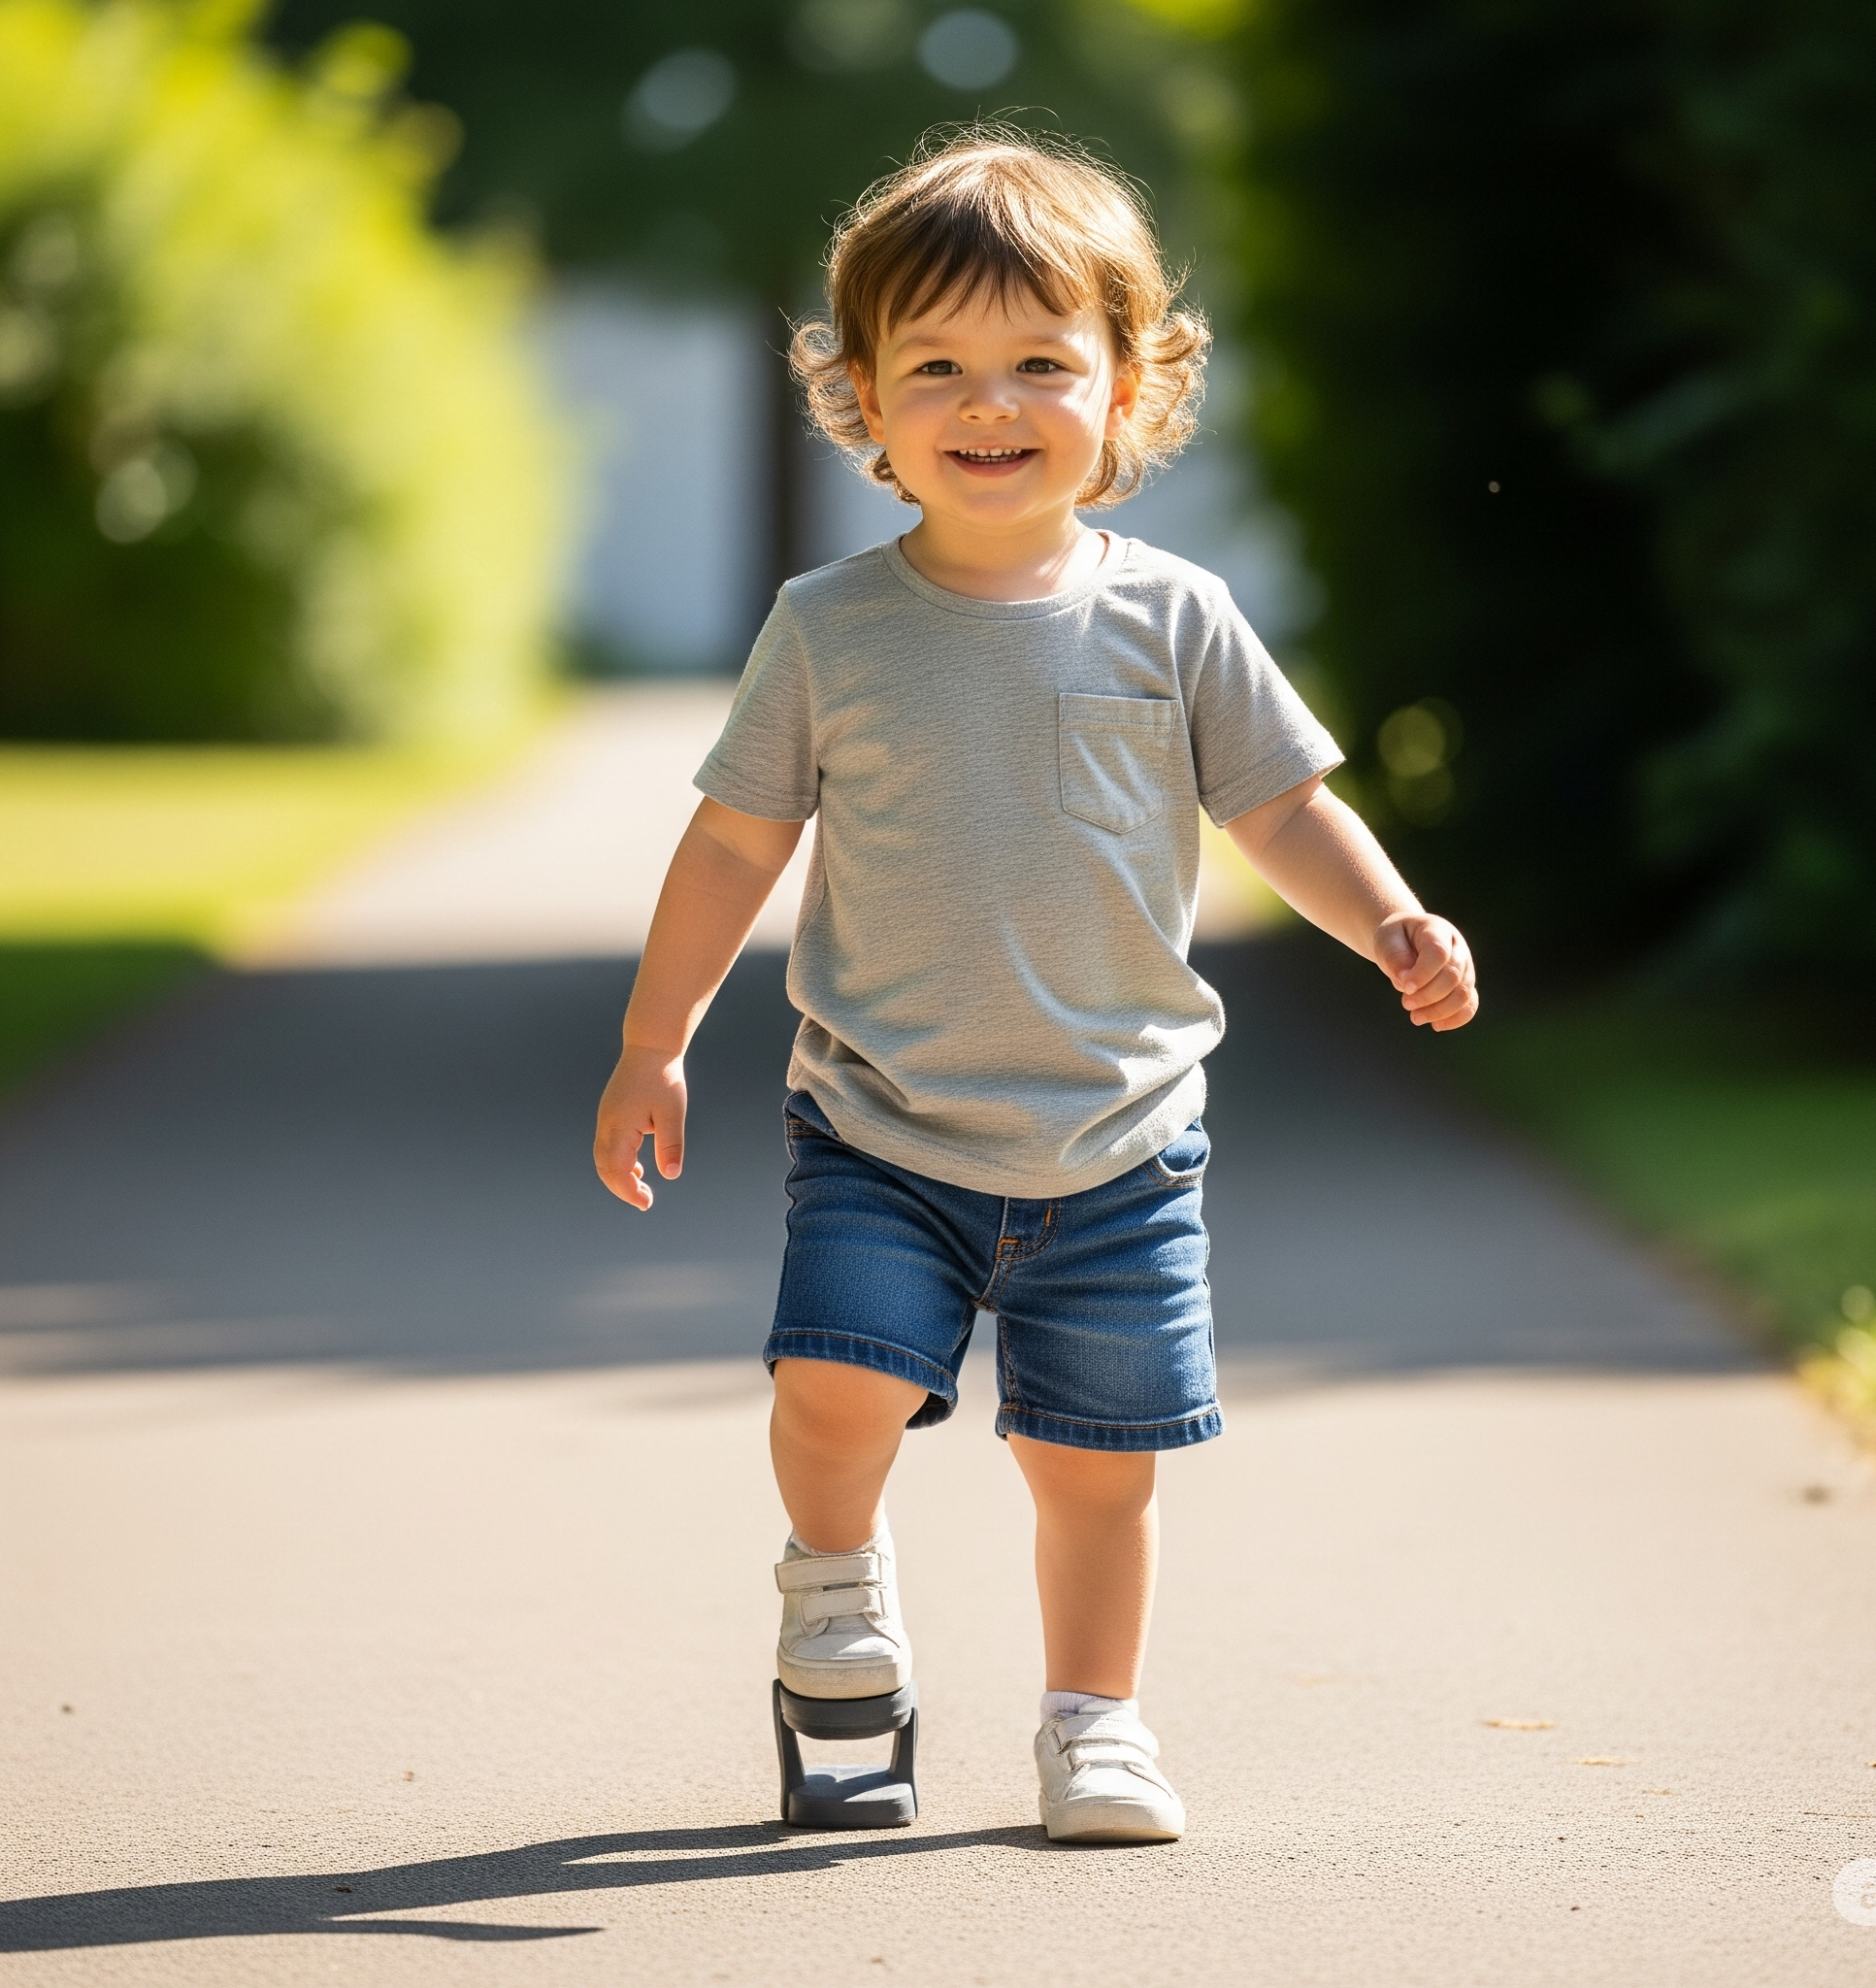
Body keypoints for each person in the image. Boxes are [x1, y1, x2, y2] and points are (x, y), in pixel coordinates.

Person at [593, 128, 1478, 1844]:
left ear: (1128, 384)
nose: (988, 402)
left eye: (1041, 364)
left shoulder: (1177, 619)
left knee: (1098, 1469)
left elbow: (1283, 804)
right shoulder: (829, 629)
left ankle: (1096, 1725)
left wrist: (1390, 921)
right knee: (831, 1385)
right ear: (861, 394)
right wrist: (656, 1040)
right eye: (936, 364)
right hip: (882, 1117)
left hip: (1121, 1141)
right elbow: (729, 847)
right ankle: (835, 1589)